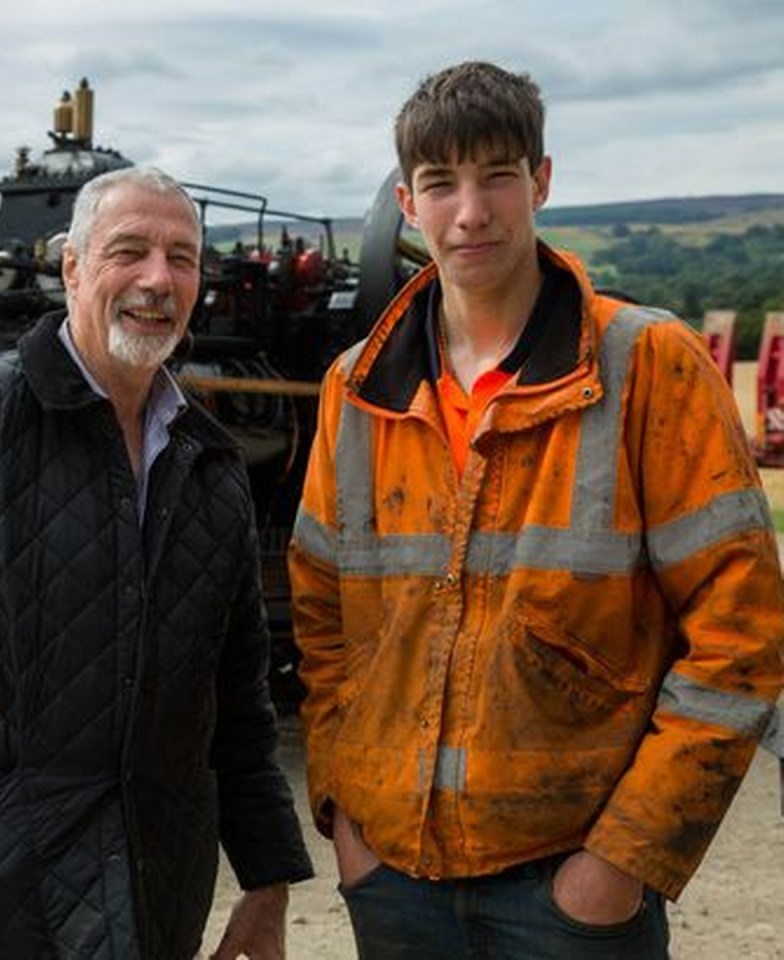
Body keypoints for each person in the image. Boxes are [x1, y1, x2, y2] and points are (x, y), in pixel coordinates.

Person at [288, 60, 784, 959]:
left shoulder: (649, 367)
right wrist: (345, 810)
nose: (470, 212)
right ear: (408, 202)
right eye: (441, 184)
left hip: (569, 896)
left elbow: (741, 636)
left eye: (497, 177)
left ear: (542, 182)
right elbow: (321, 617)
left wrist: (621, 859)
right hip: (392, 881)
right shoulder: (355, 389)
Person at [0, 166, 313, 959]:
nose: (158, 279)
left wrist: (267, 883)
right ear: (74, 268)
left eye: (182, 258)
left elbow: (236, 698)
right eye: (131, 251)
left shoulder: (208, 463)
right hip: (1, 900)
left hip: (161, 885)